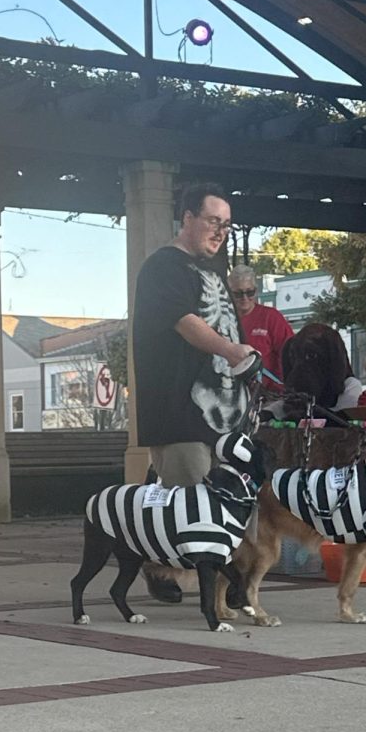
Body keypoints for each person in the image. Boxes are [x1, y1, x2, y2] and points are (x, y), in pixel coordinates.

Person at [132, 184, 257, 601]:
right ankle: (160, 567)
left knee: (229, 500)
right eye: (212, 221)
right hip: (180, 411)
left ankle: (229, 585)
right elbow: (186, 321)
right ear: (186, 218)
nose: (220, 231)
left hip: (226, 413)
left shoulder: (214, 270)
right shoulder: (162, 268)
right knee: (188, 504)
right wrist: (231, 349)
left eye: (226, 224)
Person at [227, 264, 293, 393]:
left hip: (269, 395)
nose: (245, 298)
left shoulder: (271, 317)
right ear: (229, 293)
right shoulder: (223, 320)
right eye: (238, 294)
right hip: (232, 394)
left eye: (249, 292)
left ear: (256, 290)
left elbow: (290, 355)